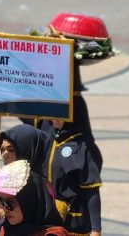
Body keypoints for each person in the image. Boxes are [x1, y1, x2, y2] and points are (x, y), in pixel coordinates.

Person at [33, 96, 103, 236]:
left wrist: (96, 229)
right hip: (46, 218)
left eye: (62, 115)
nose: (56, 120)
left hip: (74, 223)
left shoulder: (84, 146)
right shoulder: (47, 138)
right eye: (53, 115)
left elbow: (92, 191)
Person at [0, 159, 66, 236]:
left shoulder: (52, 234)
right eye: (0, 200)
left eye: (9, 203)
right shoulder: (2, 228)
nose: (4, 208)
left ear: (29, 201)